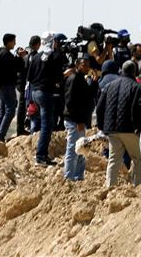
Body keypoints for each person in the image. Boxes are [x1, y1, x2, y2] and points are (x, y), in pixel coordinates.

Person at [96, 61, 141, 187]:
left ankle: (110, 186)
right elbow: (137, 109)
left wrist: (102, 127)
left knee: (113, 159)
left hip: (111, 129)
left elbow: (99, 108)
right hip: (129, 129)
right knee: (138, 159)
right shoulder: (135, 86)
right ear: (134, 72)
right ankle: (137, 186)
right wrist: (138, 127)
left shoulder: (109, 86)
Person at [26, 34, 69, 166]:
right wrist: (65, 74)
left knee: (44, 124)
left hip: (35, 93)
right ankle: (41, 156)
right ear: (54, 42)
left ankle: (42, 154)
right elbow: (58, 78)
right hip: (46, 94)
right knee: (47, 126)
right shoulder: (55, 57)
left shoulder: (36, 57)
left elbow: (30, 77)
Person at [63, 54, 97, 181]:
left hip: (80, 120)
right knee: (73, 150)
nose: (87, 68)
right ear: (77, 65)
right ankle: (69, 178)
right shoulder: (74, 79)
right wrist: (79, 121)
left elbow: (89, 96)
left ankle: (78, 176)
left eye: (88, 65)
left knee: (81, 149)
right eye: (84, 65)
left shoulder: (81, 79)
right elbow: (71, 102)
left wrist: (94, 82)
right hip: (75, 121)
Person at [0, 34, 23, 142]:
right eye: (14, 41)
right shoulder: (6, 54)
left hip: (1, 86)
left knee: (2, 111)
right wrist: (20, 57)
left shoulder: (0, 52)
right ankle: (0, 136)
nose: (15, 43)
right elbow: (17, 66)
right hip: (7, 86)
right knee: (10, 111)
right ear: (8, 42)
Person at [17, 35, 41, 136]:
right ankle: (25, 128)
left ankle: (22, 128)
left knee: (24, 107)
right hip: (30, 84)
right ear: (38, 44)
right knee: (31, 106)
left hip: (23, 84)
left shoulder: (25, 53)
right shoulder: (34, 55)